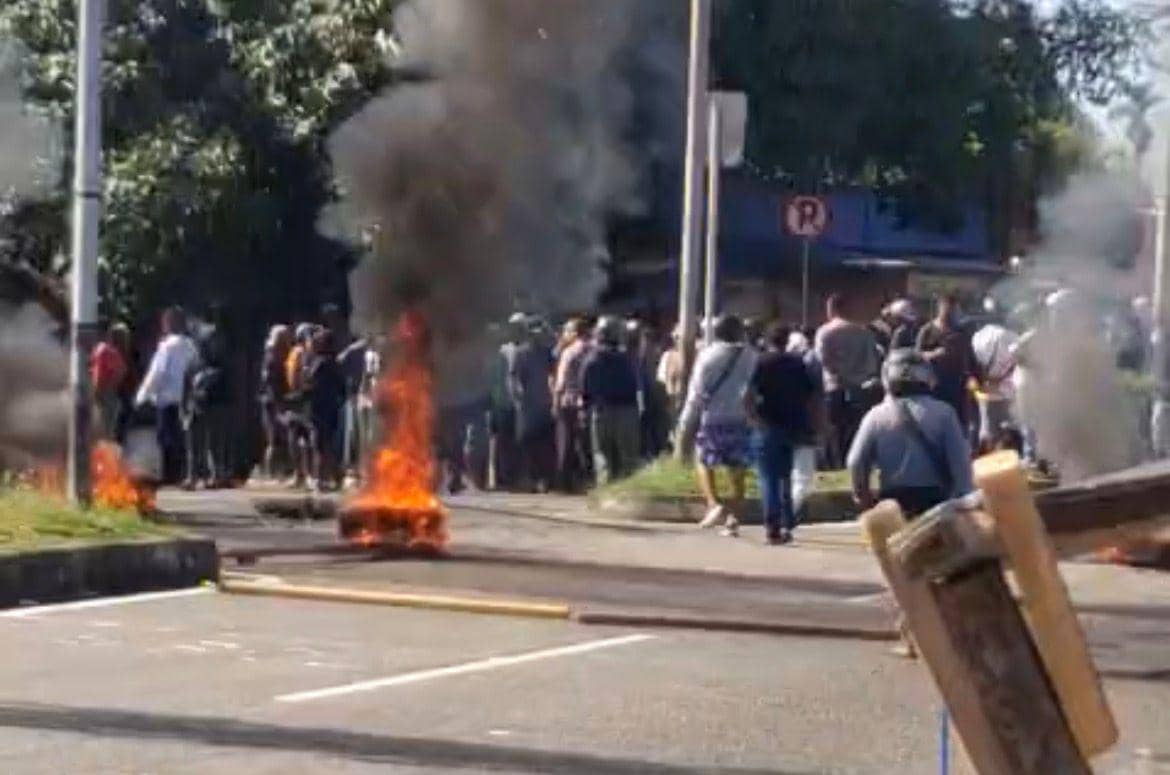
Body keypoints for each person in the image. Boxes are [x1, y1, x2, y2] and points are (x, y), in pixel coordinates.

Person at [847, 348, 974, 518]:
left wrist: (864, 497)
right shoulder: (944, 413)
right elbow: (960, 463)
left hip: (893, 505)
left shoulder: (875, 415)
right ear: (928, 377)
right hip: (937, 503)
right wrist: (963, 499)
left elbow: (856, 461)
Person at [678, 315, 758, 537]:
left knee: (704, 460)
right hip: (741, 419)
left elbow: (696, 393)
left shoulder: (707, 356)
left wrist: (685, 424)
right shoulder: (751, 356)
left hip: (712, 419)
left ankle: (713, 503)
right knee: (738, 470)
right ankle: (734, 519)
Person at [747, 323, 820, 545]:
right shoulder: (798, 363)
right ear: (787, 340)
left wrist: (753, 419)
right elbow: (810, 396)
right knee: (785, 476)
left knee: (768, 477)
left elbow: (749, 395)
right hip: (792, 426)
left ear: (767, 340)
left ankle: (773, 526)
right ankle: (787, 522)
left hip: (767, 425)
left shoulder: (761, 362)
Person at [135, 306, 200, 485]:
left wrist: (142, 395)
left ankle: (169, 475)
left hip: (166, 399)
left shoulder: (166, 346)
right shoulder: (190, 346)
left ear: (170, 323)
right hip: (184, 399)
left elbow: (157, 372)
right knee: (181, 437)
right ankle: (182, 473)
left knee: (165, 438)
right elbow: (195, 368)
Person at [815, 293, 881, 468]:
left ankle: (833, 463)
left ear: (832, 309)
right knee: (855, 428)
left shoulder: (825, 331)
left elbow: (822, 360)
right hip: (859, 387)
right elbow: (872, 363)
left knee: (832, 428)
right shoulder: (864, 332)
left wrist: (839, 375)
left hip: (834, 386)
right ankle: (853, 460)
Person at [581, 317, 641, 485]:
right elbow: (636, 385)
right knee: (628, 460)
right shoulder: (627, 358)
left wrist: (586, 411)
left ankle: (606, 491)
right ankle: (629, 492)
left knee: (603, 457)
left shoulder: (592, 359)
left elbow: (585, 389)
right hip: (626, 412)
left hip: (601, 411)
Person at [502, 314, 556, 492]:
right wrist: (517, 398)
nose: (537, 336)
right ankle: (530, 479)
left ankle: (545, 479)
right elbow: (513, 378)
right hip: (527, 406)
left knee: (545, 443)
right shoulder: (520, 353)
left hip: (544, 403)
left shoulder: (546, 352)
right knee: (527, 443)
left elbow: (554, 372)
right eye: (533, 333)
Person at [916, 294, 976, 428]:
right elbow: (916, 357)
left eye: (954, 309)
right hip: (934, 386)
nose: (951, 312)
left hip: (958, 387)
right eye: (948, 308)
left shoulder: (961, 332)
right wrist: (934, 354)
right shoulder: (927, 331)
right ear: (940, 308)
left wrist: (975, 376)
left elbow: (970, 356)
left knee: (958, 423)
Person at [971, 299, 1019, 451]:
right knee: (1008, 433)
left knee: (986, 432)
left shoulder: (977, 336)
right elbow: (1020, 359)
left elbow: (973, 363)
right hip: (1007, 391)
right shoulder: (1010, 336)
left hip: (984, 392)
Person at [185, 331, 231, 489]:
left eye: (215, 342)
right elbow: (187, 386)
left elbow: (227, 388)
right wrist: (186, 407)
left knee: (215, 444)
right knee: (194, 444)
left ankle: (216, 475)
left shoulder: (222, 364)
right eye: (210, 342)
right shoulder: (194, 364)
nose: (213, 346)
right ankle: (192, 477)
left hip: (216, 406)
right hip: (196, 406)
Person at [552, 318, 593, 492]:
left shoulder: (569, 352)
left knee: (566, 443)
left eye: (567, 331)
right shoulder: (593, 350)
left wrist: (555, 402)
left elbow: (561, 382)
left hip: (568, 401)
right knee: (586, 443)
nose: (564, 334)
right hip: (589, 401)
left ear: (575, 333)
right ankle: (589, 479)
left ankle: (565, 482)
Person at [305, 328, 346, 492]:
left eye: (318, 340)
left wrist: (297, 397)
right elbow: (342, 388)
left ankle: (321, 479)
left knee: (319, 444)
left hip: (320, 408)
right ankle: (334, 477)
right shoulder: (334, 363)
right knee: (327, 444)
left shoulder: (321, 363)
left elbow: (311, 385)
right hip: (331, 407)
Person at [259, 324, 293, 480]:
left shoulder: (280, 355)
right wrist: (278, 402)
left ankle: (279, 471)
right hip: (273, 401)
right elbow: (269, 381)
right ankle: (271, 473)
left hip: (277, 399)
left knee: (281, 438)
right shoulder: (272, 357)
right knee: (274, 439)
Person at [90, 323, 130, 441]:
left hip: (107, 392)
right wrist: (101, 390)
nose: (126, 340)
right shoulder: (107, 351)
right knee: (106, 426)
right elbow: (101, 373)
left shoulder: (108, 350)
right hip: (106, 392)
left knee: (107, 426)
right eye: (124, 337)